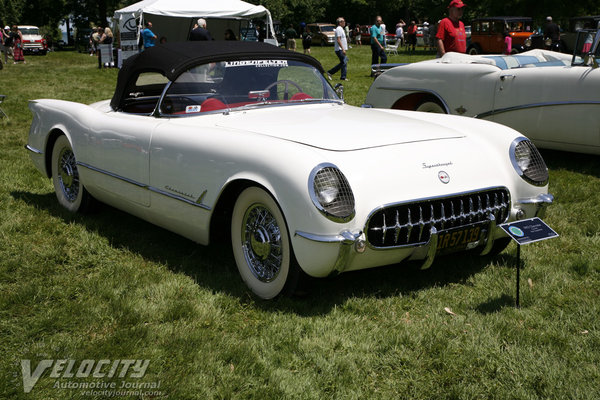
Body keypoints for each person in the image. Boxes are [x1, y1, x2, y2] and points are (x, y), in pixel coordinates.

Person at [326, 17, 349, 81]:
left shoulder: (341, 29)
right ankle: (330, 72)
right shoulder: (339, 29)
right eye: (343, 21)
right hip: (339, 49)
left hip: (341, 49)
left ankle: (343, 77)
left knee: (344, 62)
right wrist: (343, 49)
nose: (345, 22)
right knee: (343, 62)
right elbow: (338, 40)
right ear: (340, 22)